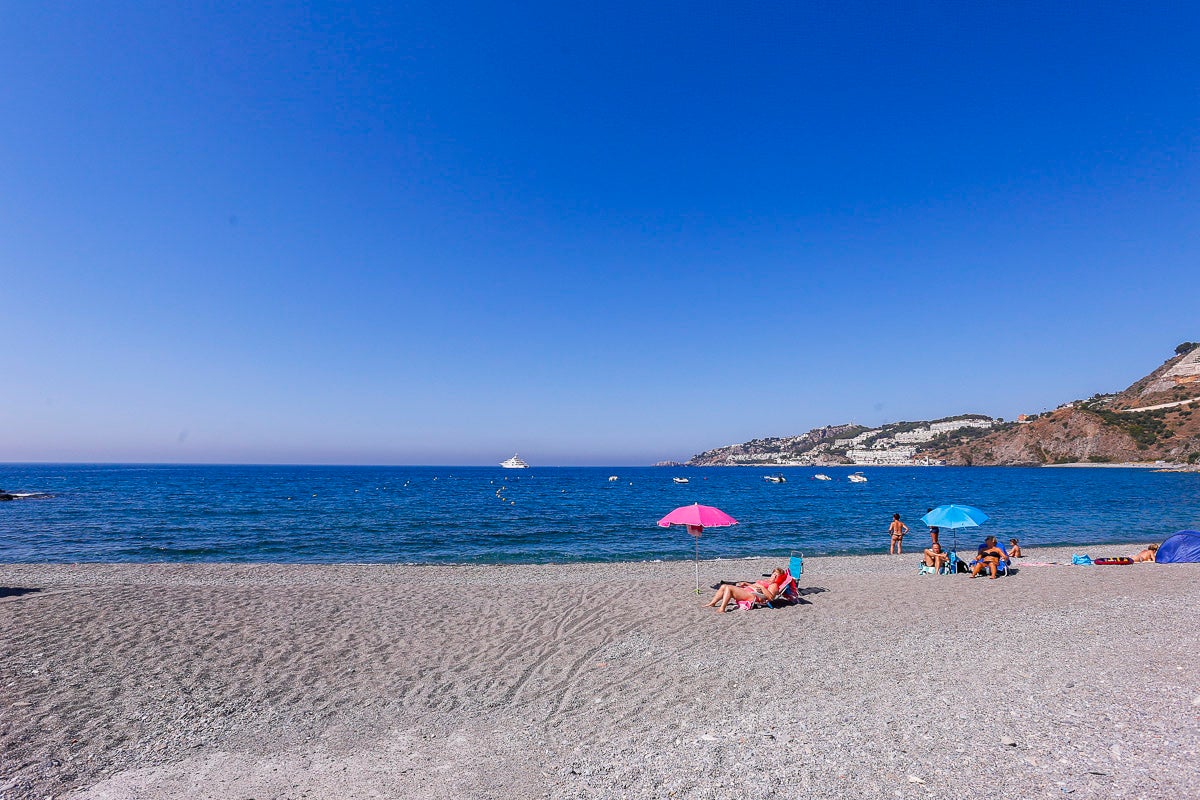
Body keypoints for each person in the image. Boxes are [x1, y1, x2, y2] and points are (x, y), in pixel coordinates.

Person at [704, 567, 786, 613]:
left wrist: (762, 588)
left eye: (776, 576)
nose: (774, 576)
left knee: (729, 588)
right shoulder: (766, 581)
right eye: (773, 574)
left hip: (753, 596)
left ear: (779, 578)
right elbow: (755, 586)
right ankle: (712, 603)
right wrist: (746, 584)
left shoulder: (774, 585)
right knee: (724, 586)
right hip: (748, 591)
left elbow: (771, 597)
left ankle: (722, 609)